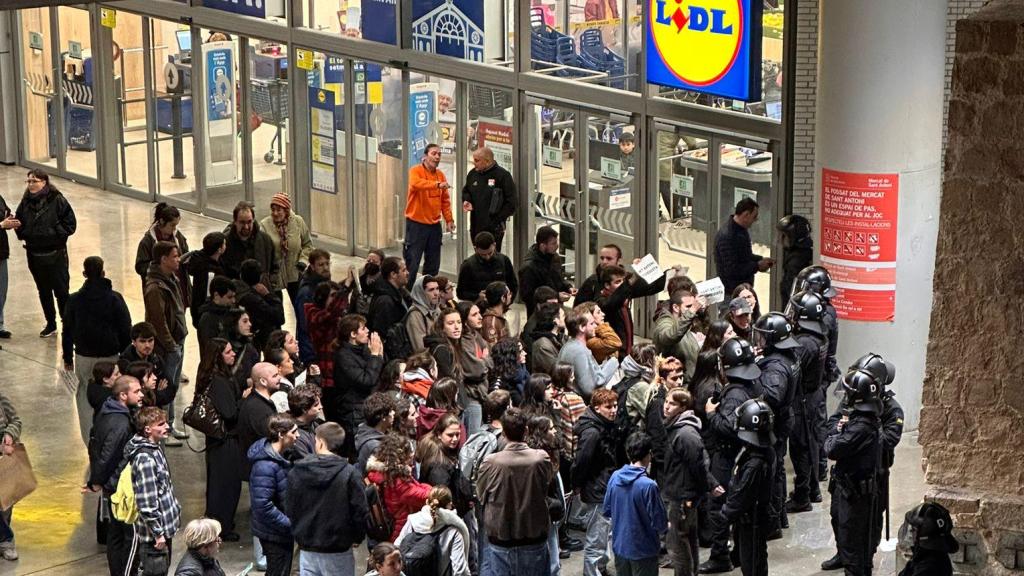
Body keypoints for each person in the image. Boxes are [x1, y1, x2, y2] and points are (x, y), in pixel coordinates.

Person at [701, 337, 763, 574]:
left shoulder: (735, 393)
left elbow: (728, 428)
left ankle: (720, 556)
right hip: (745, 454)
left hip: (729, 458)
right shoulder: (753, 383)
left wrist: (710, 415)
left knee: (719, 506)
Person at [476, 408, 556, 575]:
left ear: (503, 433)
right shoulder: (540, 458)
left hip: (502, 539)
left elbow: (481, 493)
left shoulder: (491, 462)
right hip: (533, 537)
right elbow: (547, 483)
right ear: (526, 430)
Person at [64, 255, 132, 446]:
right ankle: (110, 439)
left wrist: (68, 357)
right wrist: (125, 358)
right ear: (103, 273)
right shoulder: (114, 299)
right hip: (110, 357)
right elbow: (126, 328)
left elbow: (67, 330)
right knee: (111, 397)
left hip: (84, 356)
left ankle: (90, 442)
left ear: (84, 274)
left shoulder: (74, 300)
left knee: (84, 398)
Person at [287, 422, 368, 576]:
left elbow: (290, 507)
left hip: (307, 548)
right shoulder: (350, 474)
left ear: (321, 442)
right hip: (338, 549)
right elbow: (360, 510)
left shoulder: (297, 472)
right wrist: (357, 536)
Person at [824, 369, 882, 576]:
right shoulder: (861, 419)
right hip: (849, 489)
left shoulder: (861, 427)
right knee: (845, 536)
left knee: (854, 550)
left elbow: (831, 448)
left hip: (856, 496)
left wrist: (836, 433)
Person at [750, 313, 803, 539]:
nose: (760, 341)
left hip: (775, 422)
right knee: (778, 468)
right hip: (786, 417)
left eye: (764, 337)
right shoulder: (790, 356)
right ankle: (779, 516)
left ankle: (771, 521)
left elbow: (772, 396)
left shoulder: (775, 367)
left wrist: (754, 377)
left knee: (772, 472)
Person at [14, 168, 77, 338]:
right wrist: (23, 232)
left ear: (44, 182)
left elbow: (70, 224)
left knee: (62, 291)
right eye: (28, 181)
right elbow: (19, 221)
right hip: (34, 253)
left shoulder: (57, 200)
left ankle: (67, 323)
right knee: (43, 291)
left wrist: (54, 231)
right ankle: (51, 323)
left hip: (55, 253)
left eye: (34, 181)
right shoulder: (26, 201)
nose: (31, 184)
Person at [662, 387, 715, 576]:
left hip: (683, 496)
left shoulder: (685, 434)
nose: (667, 407)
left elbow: (699, 465)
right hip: (681, 493)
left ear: (683, 407)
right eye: (666, 402)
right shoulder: (676, 428)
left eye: (672, 404)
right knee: (688, 538)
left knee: (679, 544)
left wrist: (705, 488)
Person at [720, 399, 776, 576]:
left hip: (752, 521)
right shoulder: (762, 451)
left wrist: (724, 514)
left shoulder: (755, 463)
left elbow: (742, 494)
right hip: (753, 519)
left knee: (752, 565)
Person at [124, 407, 182, 576]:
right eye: (161, 424)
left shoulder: (155, 448)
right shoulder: (146, 459)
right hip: (154, 538)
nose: (167, 427)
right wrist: (158, 533)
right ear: (147, 429)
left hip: (162, 531)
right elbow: (147, 503)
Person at [195, 338, 242, 541]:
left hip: (215, 439)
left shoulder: (211, 377)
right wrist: (245, 399)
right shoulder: (219, 381)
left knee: (218, 483)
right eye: (229, 352)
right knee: (225, 485)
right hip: (225, 440)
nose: (233, 355)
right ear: (218, 356)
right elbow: (230, 412)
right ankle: (222, 525)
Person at [786, 289, 830, 514]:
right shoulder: (820, 336)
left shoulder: (804, 342)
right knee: (812, 444)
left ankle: (803, 494)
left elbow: (793, 370)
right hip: (813, 397)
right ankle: (812, 489)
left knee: (801, 447)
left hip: (802, 400)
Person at [603, 432, 667, 576]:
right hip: (644, 550)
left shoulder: (615, 477)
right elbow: (660, 522)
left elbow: (607, 510)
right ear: (649, 454)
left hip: (620, 547)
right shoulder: (649, 486)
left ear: (628, 453)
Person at [144, 241, 189, 441]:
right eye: (175, 256)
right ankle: (163, 427)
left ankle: (170, 424)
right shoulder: (156, 287)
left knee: (174, 386)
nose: (178, 259)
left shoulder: (171, 279)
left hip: (177, 340)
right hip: (168, 346)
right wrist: (171, 345)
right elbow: (158, 321)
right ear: (163, 259)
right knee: (165, 387)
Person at [573, 388, 621, 576]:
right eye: (608, 407)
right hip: (597, 489)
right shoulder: (593, 432)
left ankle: (600, 568)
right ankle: (592, 572)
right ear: (597, 407)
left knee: (604, 534)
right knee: (597, 537)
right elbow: (581, 461)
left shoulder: (604, 426)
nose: (613, 410)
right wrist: (577, 484)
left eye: (615, 406)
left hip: (603, 486)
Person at [248, 413, 299, 576]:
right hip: (274, 533)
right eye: (294, 432)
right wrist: (289, 523)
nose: (297, 436)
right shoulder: (265, 466)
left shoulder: (283, 456)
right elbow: (262, 506)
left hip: (281, 530)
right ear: (281, 435)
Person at [366, 433, 433, 542]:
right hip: (401, 531)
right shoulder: (398, 478)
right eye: (409, 454)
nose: (412, 455)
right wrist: (432, 490)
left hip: (392, 528)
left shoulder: (382, 473)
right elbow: (420, 496)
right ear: (402, 456)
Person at [405, 143, 455, 287]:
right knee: (412, 263)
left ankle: (428, 291)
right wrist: (436, 185)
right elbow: (416, 184)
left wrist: (449, 219)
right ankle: (407, 295)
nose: (437, 156)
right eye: (434, 153)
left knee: (433, 264)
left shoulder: (440, 175)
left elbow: (445, 201)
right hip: (416, 224)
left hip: (434, 226)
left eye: (439, 154)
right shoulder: (415, 171)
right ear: (425, 156)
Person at [333, 314, 385, 453]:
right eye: (363, 328)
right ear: (353, 334)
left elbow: (376, 371)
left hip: (367, 407)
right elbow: (367, 380)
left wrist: (378, 354)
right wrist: (375, 355)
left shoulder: (362, 349)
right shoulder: (344, 356)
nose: (368, 330)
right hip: (354, 413)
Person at [594, 263, 671, 354]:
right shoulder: (600, 300)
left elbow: (650, 288)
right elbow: (612, 302)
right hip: (613, 353)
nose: (622, 285)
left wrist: (669, 274)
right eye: (618, 282)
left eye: (623, 281)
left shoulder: (624, 293)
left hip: (626, 350)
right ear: (607, 285)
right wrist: (630, 281)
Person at [396, 485, 472, 576]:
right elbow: (460, 571)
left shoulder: (413, 521)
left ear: (427, 501)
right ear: (450, 505)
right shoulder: (454, 532)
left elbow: (397, 546)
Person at [306, 281, 351, 419]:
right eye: (332, 296)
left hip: (342, 376)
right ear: (322, 298)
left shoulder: (337, 318)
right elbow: (331, 312)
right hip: (328, 380)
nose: (336, 300)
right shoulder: (314, 315)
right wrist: (346, 288)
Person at [260, 193, 313, 308]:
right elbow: (262, 251)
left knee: (301, 307)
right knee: (276, 310)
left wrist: (303, 261)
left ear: (286, 210)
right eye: (273, 209)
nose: (275, 213)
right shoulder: (264, 225)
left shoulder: (298, 222)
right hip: (274, 276)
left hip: (295, 272)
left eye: (279, 210)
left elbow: (307, 244)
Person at [557, 306, 620, 403]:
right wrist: (613, 363)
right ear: (582, 328)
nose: (596, 326)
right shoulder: (579, 351)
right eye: (592, 323)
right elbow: (589, 389)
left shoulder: (569, 346)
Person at [712, 197, 773, 296]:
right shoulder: (728, 235)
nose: (756, 220)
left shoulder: (741, 230)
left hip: (741, 290)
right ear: (746, 215)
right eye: (754, 216)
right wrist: (757, 265)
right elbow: (732, 269)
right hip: (731, 293)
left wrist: (761, 260)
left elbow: (744, 256)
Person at [461, 146, 516, 252]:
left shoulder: (502, 176)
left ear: (487, 161)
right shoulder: (473, 174)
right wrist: (467, 200)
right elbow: (466, 190)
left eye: (477, 160)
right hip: (476, 225)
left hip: (494, 228)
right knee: (478, 256)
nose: (474, 163)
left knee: (491, 257)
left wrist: (497, 219)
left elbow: (511, 203)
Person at [236, 363, 282, 481]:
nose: (279, 378)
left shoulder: (259, 402)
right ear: (263, 381)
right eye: (275, 376)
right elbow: (269, 439)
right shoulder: (257, 409)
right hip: (260, 471)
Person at [135, 203, 191, 300]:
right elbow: (140, 267)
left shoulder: (178, 237)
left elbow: (186, 255)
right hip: (159, 291)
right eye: (172, 225)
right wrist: (161, 266)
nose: (174, 228)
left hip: (179, 287)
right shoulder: (147, 242)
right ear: (162, 221)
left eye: (176, 225)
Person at [221, 201, 279, 290]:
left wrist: (270, 284)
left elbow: (274, 267)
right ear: (235, 221)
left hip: (261, 295)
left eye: (249, 222)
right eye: (242, 222)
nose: (246, 227)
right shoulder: (225, 243)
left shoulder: (265, 240)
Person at [519, 226, 575, 316]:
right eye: (553, 243)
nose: (557, 246)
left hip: (557, 311)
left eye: (557, 242)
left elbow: (558, 278)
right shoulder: (529, 267)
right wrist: (556, 296)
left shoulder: (554, 257)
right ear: (542, 246)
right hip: (540, 314)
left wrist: (568, 287)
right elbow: (527, 296)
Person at [455, 301, 492, 434]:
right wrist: (484, 360)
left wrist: (484, 361)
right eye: (474, 314)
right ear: (465, 320)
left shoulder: (477, 336)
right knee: (473, 442)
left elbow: (490, 361)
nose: (480, 317)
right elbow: (476, 370)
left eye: (479, 313)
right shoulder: (463, 342)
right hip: (471, 397)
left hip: (481, 394)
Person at [653, 288, 706, 380]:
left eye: (693, 306)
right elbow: (669, 337)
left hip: (689, 381)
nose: (693, 310)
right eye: (688, 306)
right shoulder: (665, 321)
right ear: (676, 308)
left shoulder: (684, 322)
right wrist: (692, 310)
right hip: (675, 382)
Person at [233, 259, 285, 352]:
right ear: (260, 277)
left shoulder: (235, 290)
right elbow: (279, 317)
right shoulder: (253, 299)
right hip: (257, 338)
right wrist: (269, 295)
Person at [898, 502, 957, 576]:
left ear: (924, 535)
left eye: (914, 529)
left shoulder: (927, 569)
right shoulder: (927, 555)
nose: (910, 532)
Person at [457, 232, 518, 302]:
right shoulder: (467, 265)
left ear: (494, 245)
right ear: (476, 249)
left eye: (490, 253)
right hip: (478, 307)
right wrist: (476, 296)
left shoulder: (504, 260)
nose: (487, 257)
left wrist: (507, 303)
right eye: (483, 254)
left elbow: (513, 285)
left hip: (501, 306)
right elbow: (460, 293)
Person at [295, 249, 333, 363]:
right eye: (321, 265)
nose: (326, 268)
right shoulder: (307, 291)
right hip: (312, 350)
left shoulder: (324, 283)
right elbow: (305, 324)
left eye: (327, 263)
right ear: (312, 266)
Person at [186, 232, 227, 328]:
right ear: (219, 249)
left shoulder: (202, 260)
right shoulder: (210, 273)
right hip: (206, 315)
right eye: (224, 244)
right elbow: (208, 296)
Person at [0, 391, 22, 561]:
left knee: (5, 505)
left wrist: (9, 434)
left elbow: (16, 420)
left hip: (4, 463)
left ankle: (6, 541)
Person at [195, 276, 236, 362]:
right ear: (216, 295)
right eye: (229, 297)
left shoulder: (230, 313)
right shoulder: (207, 319)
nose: (233, 301)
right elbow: (210, 347)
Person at [367, 256, 410, 336]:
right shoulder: (385, 301)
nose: (407, 273)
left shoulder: (400, 292)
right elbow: (381, 333)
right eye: (404, 270)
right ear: (393, 274)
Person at [354, 392, 396, 475]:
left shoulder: (365, 432)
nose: (393, 413)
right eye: (390, 411)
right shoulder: (375, 446)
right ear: (383, 417)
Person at [776, 215, 813, 299]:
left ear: (793, 237)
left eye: (783, 236)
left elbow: (792, 292)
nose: (780, 240)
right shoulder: (807, 253)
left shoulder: (796, 262)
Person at [528, 302, 566, 375]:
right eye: (563, 316)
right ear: (556, 321)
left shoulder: (559, 336)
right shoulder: (543, 346)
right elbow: (557, 372)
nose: (566, 318)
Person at [520, 286, 560, 354]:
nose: (555, 309)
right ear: (539, 306)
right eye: (551, 305)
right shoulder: (531, 329)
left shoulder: (552, 321)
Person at [489, 337, 528, 406]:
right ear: (511, 356)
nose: (525, 353)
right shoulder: (499, 384)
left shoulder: (524, 375)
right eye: (520, 351)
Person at [407, 275, 441, 352]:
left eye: (437, 289)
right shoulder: (415, 315)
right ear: (421, 293)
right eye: (431, 290)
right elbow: (419, 349)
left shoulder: (436, 309)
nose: (436, 293)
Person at [287, 385, 323, 458]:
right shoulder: (296, 437)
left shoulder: (314, 423)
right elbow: (308, 464)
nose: (321, 407)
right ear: (304, 409)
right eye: (316, 405)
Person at [0, 192, 16, 340]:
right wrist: (1, 225)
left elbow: (5, 211)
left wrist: (10, 221)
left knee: (1, 292)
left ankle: (0, 325)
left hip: (1, 253)